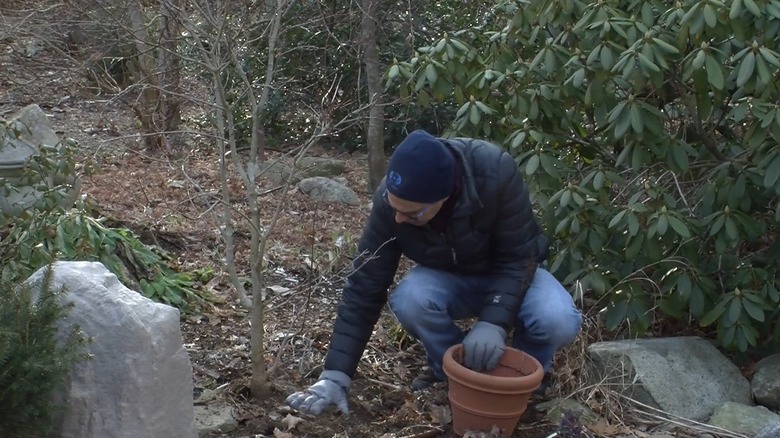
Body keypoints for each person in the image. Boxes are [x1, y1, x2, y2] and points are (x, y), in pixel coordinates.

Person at [286, 129, 582, 415]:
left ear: (444, 198)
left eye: (413, 213)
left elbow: (520, 257)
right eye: (395, 208)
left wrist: (494, 322)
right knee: (411, 299)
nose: (399, 219)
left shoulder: (494, 171)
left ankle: (524, 376)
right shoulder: (390, 205)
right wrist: (335, 375)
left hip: (511, 273)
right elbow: (365, 284)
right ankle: (451, 371)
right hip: (447, 277)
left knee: (558, 318)